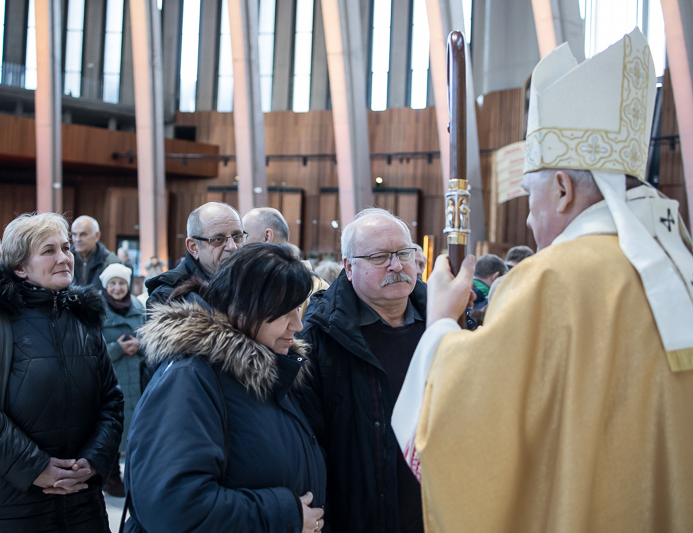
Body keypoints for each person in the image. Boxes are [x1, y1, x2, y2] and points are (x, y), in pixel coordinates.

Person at [393, 29, 693, 532]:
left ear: (561, 189)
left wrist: (440, 322)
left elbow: (463, 435)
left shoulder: (552, 280)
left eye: (529, 197)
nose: (529, 220)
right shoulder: (679, 266)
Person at [0, 212, 124, 532]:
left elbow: (111, 400)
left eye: (66, 248)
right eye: (49, 251)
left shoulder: (84, 319)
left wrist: (93, 461)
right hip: (13, 504)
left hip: (84, 504)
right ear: (20, 267)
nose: (64, 258)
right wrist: (35, 467)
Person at [125, 244, 327, 533]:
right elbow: (172, 507)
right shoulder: (190, 377)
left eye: (298, 308)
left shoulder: (267, 368)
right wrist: (283, 515)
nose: (298, 324)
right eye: (285, 311)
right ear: (244, 305)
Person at [296, 208, 426, 533]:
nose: (396, 265)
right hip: (357, 518)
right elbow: (309, 447)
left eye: (404, 253)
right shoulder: (319, 336)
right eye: (380, 257)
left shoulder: (445, 320)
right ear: (349, 266)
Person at [99, 263, 146, 498]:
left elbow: (151, 336)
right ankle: (111, 477)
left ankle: (135, 477)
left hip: (138, 379)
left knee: (137, 429)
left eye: (121, 283)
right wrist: (118, 348)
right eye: (113, 283)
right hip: (112, 379)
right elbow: (92, 349)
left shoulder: (139, 307)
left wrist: (140, 344)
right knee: (114, 429)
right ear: (106, 286)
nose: (117, 288)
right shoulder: (97, 310)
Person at [145, 202, 246, 307]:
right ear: (193, 247)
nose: (232, 246)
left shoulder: (253, 281)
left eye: (237, 236)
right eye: (218, 239)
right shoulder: (169, 297)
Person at [70, 215, 120, 290]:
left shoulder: (111, 262)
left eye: (83, 234)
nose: (77, 239)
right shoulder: (65, 260)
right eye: (74, 234)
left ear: (97, 236)